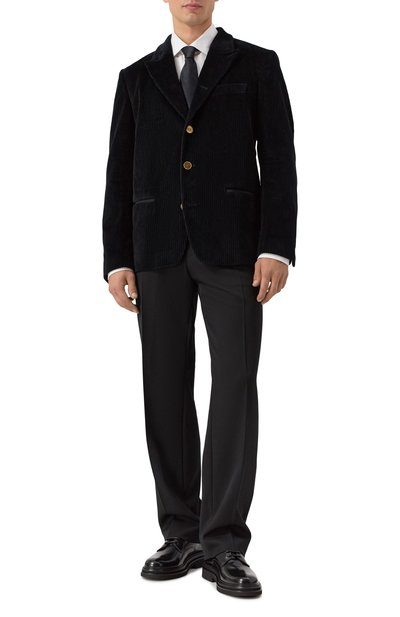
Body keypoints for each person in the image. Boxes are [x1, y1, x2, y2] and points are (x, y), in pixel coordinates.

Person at [102, 0, 297, 599]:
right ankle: (181, 533)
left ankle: (225, 544)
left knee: (234, 384)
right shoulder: (136, 78)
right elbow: (118, 171)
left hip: (235, 248)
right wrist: (116, 257)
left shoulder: (257, 65)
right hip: (155, 247)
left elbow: (280, 159)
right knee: (164, 386)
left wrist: (276, 246)